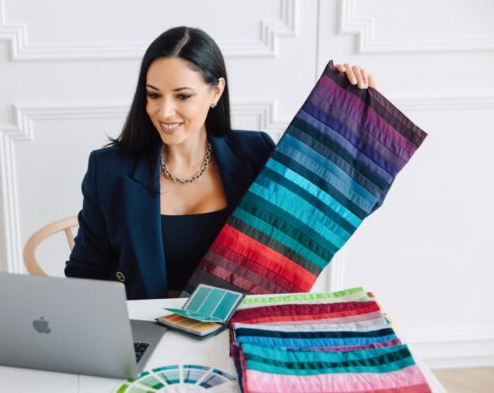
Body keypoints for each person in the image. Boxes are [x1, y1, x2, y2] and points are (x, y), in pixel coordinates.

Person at [64, 26, 377, 300]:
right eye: (154, 95)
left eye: (183, 96)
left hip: (236, 329)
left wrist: (360, 112)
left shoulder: (255, 152)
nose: (165, 111)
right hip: (146, 333)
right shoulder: (108, 169)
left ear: (216, 92)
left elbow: (333, 204)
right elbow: (84, 274)